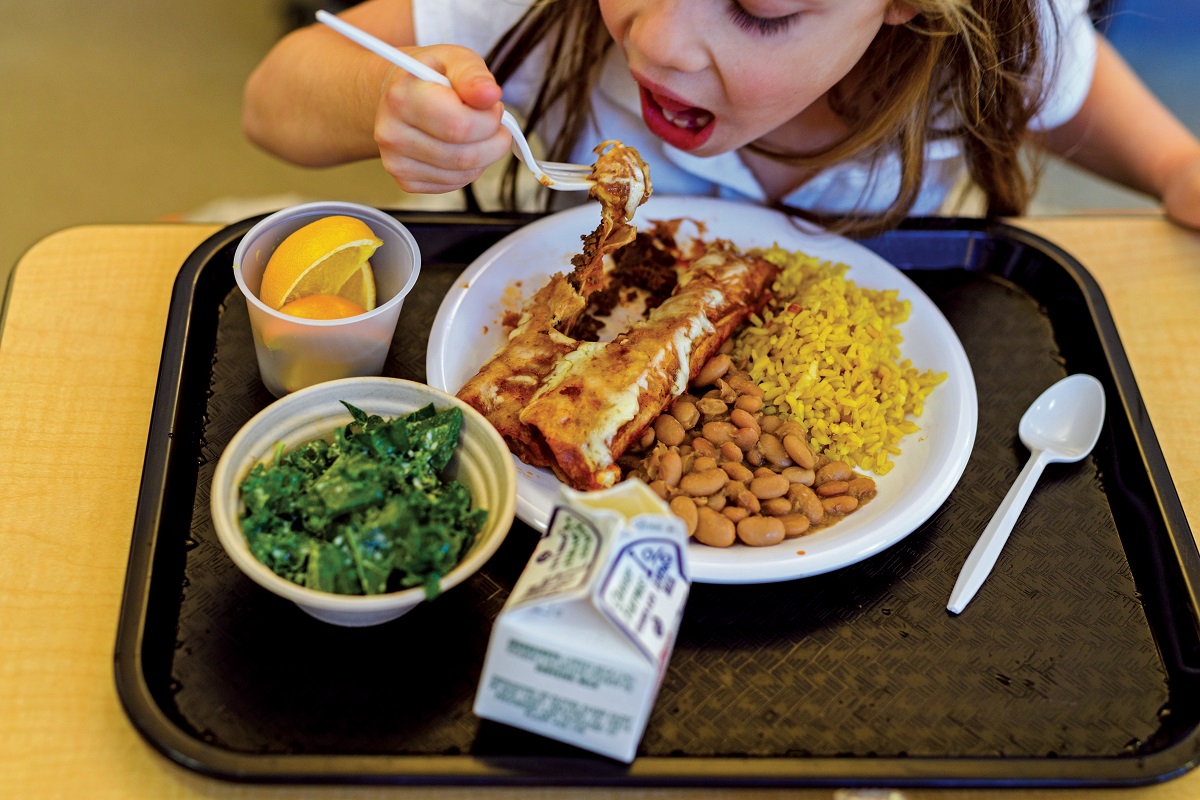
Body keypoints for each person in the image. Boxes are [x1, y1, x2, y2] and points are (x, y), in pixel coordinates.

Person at [242, 0, 1200, 236]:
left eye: (759, 10)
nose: (657, 42)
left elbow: (1072, 89)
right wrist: (394, 103)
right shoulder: (536, 10)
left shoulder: (985, 36)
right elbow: (272, 101)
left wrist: (1171, 167)